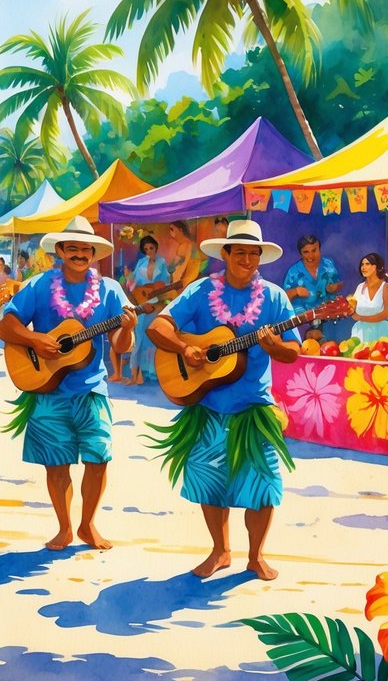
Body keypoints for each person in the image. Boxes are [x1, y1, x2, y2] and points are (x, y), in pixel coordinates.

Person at [146, 219, 301, 581]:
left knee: (263, 487)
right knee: (210, 484)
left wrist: (274, 346)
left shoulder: (275, 297)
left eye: (254, 253)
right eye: (240, 252)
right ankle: (220, 550)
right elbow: (157, 327)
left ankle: (256, 556)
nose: (247, 259)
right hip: (209, 406)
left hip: (254, 406)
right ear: (226, 254)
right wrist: (186, 348)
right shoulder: (201, 292)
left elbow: (293, 349)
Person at [0, 217, 136, 551]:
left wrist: (128, 328)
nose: (79, 254)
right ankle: (65, 527)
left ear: (93, 253)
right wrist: (35, 339)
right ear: (59, 251)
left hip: (91, 389)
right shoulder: (42, 285)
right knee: (56, 463)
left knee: (99, 458)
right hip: (47, 387)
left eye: (85, 249)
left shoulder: (110, 290)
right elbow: (6, 325)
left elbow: (121, 345)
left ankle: (88, 525)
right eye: (71, 248)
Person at [127, 235, 171, 385]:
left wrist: (156, 290)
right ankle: (134, 372)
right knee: (138, 337)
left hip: (155, 303)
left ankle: (147, 372)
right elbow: (132, 282)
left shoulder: (162, 262)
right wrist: (135, 287)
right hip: (141, 302)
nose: (149, 251)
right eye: (146, 249)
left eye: (151, 248)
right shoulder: (141, 262)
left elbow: (164, 282)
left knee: (151, 338)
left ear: (156, 248)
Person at [283, 235, 343, 341]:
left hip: (328, 316)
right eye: (306, 252)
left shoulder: (328, 264)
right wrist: (295, 291)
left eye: (314, 250)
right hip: (304, 320)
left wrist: (334, 287)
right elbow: (283, 298)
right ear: (301, 253)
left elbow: (340, 283)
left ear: (319, 249)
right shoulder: (293, 272)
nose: (311, 255)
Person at [351, 252, 388, 343]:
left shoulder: (386, 287)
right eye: (362, 264)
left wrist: (362, 318)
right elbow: (352, 310)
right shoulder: (360, 287)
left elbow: (387, 312)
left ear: (376, 267)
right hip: (360, 334)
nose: (363, 267)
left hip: (380, 334)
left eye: (367, 264)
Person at [167, 220, 196, 286]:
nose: (170, 233)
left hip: (180, 283)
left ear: (180, 230)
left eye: (172, 229)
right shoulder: (189, 244)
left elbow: (171, 268)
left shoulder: (184, 245)